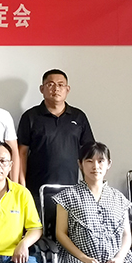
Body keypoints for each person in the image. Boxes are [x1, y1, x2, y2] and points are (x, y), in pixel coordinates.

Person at [18, 69, 94, 204]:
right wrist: (21, 186)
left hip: (71, 189)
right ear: (42, 89)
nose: (56, 89)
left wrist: (89, 185)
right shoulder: (30, 116)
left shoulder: (78, 117)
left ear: (67, 89)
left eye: (60, 85)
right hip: (36, 190)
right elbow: (21, 153)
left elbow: (88, 153)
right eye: (50, 84)